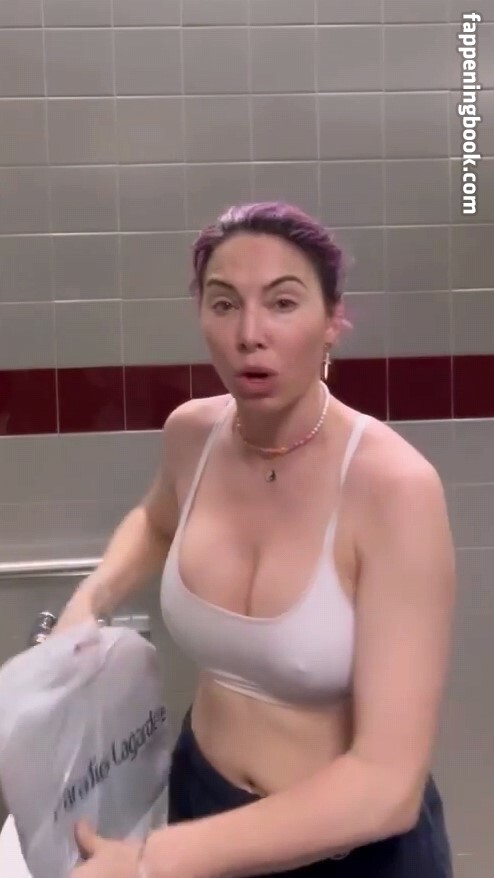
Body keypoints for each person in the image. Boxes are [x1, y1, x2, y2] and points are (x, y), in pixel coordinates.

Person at [65, 202, 456, 877]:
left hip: (351, 848)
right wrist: (90, 599)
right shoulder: (193, 435)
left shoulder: (394, 488)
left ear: (333, 320)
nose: (250, 334)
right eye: (224, 304)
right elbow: (156, 520)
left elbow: (388, 787)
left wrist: (154, 861)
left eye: (282, 303)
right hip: (203, 801)